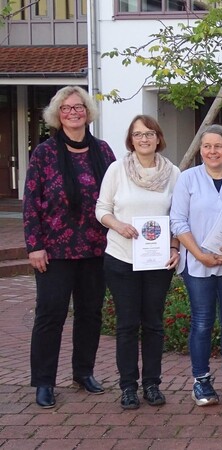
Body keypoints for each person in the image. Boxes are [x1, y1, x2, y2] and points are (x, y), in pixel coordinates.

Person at [24, 86, 116, 409]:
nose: (73, 113)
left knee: (90, 314)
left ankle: (83, 372)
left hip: (96, 249)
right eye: (66, 108)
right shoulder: (44, 154)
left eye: (79, 107)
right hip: (55, 252)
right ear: (57, 115)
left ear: (88, 112)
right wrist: (34, 245)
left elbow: (115, 196)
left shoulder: (103, 152)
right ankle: (44, 381)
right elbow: (31, 204)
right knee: (50, 315)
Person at [96, 115, 181, 410]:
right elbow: (102, 209)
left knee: (154, 325)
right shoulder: (116, 170)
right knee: (127, 325)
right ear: (130, 140)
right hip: (121, 258)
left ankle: (152, 384)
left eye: (149, 134)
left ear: (158, 138)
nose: (144, 139)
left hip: (157, 262)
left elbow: (179, 217)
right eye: (137, 134)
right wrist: (118, 226)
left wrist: (174, 246)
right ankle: (128, 387)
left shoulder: (173, 173)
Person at [170, 124, 222, 406]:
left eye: (218, 146)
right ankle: (201, 380)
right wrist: (198, 254)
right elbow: (178, 222)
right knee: (202, 322)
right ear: (200, 149)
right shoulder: (187, 179)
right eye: (207, 146)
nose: (212, 151)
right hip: (198, 264)